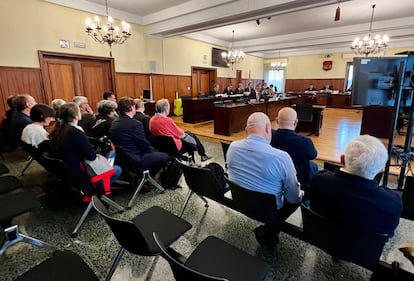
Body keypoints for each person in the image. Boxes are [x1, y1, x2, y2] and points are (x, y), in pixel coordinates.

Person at [227, 112, 303, 247]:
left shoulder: (233, 147)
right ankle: (270, 229)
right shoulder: (281, 157)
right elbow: (292, 198)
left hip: (240, 201)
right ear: (268, 128)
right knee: (299, 194)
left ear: (246, 131)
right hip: (270, 211)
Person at [308, 135, 403, 237]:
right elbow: (389, 232)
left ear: (342, 160)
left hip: (321, 237)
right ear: (381, 169)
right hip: (364, 251)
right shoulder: (393, 202)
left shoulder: (318, 180)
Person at [49, 103, 121, 197]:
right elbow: (91, 156)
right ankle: (99, 192)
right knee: (117, 169)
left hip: (71, 170)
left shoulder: (58, 130)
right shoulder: (76, 132)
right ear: (76, 116)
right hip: (83, 171)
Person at [109, 97, 170, 177]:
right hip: (136, 158)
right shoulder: (135, 124)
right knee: (165, 156)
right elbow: (144, 144)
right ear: (131, 108)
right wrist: (155, 151)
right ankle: (147, 177)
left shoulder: (114, 122)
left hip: (122, 158)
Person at [271, 107, 318, 189]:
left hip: (273, 177)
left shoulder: (269, 136)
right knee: (313, 166)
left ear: (277, 120)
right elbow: (313, 155)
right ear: (296, 122)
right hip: (297, 180)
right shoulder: (305, 141)